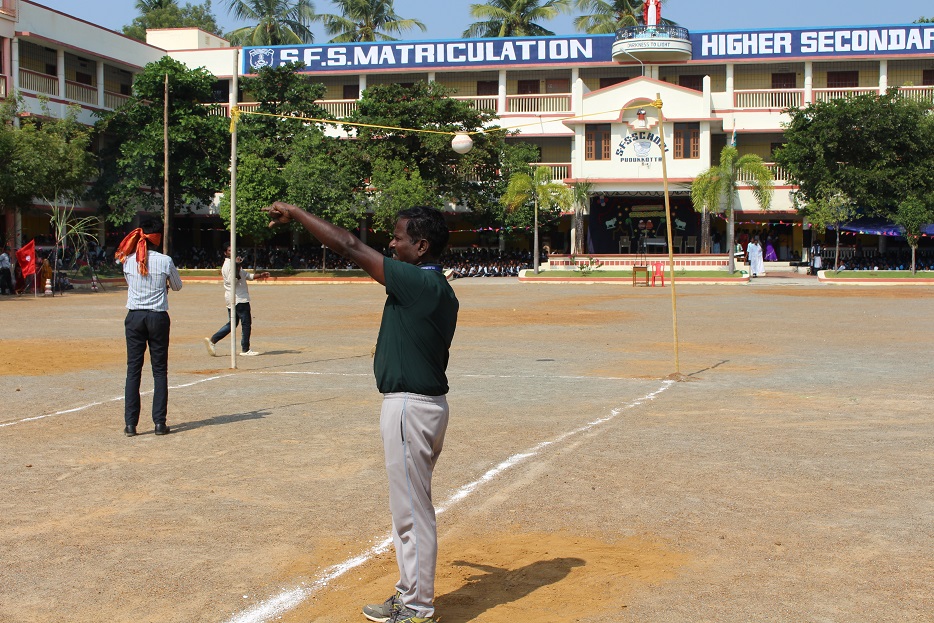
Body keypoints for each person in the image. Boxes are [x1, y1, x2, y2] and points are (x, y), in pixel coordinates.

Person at [264, 201, 458, 623]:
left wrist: (297, 212)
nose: (391, 244)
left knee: (411, 513)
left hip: (409, 407)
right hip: (422, 407)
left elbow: (350, 246)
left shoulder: (417, 283)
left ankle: (417, 606)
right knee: (410, 509)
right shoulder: (437, 286)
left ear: (421, 246)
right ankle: (410, 596)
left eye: (399, 238)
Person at [115, 220, 183, 437]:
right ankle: (159, 423)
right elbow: (177, 286)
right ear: (158, 238)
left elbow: (130, 284)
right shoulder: (165, 260)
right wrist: (163, 285)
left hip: (135, 317)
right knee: (159, 371)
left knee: (133, 370)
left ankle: (130, 424)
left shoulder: (127, 261)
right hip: (157, 317)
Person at [204, 243, 270, 357]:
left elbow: (247, 275)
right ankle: (245, 349)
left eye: (233, 250)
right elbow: (232, 281)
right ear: (225, 253)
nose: (232, 252)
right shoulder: (228, 265)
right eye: (229, 250)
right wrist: (238, 266)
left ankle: (213, 340)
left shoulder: (234, 264)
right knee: (246, 323)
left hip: (235, 298)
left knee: (232, 323)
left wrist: (260, 275)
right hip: (238, 298)